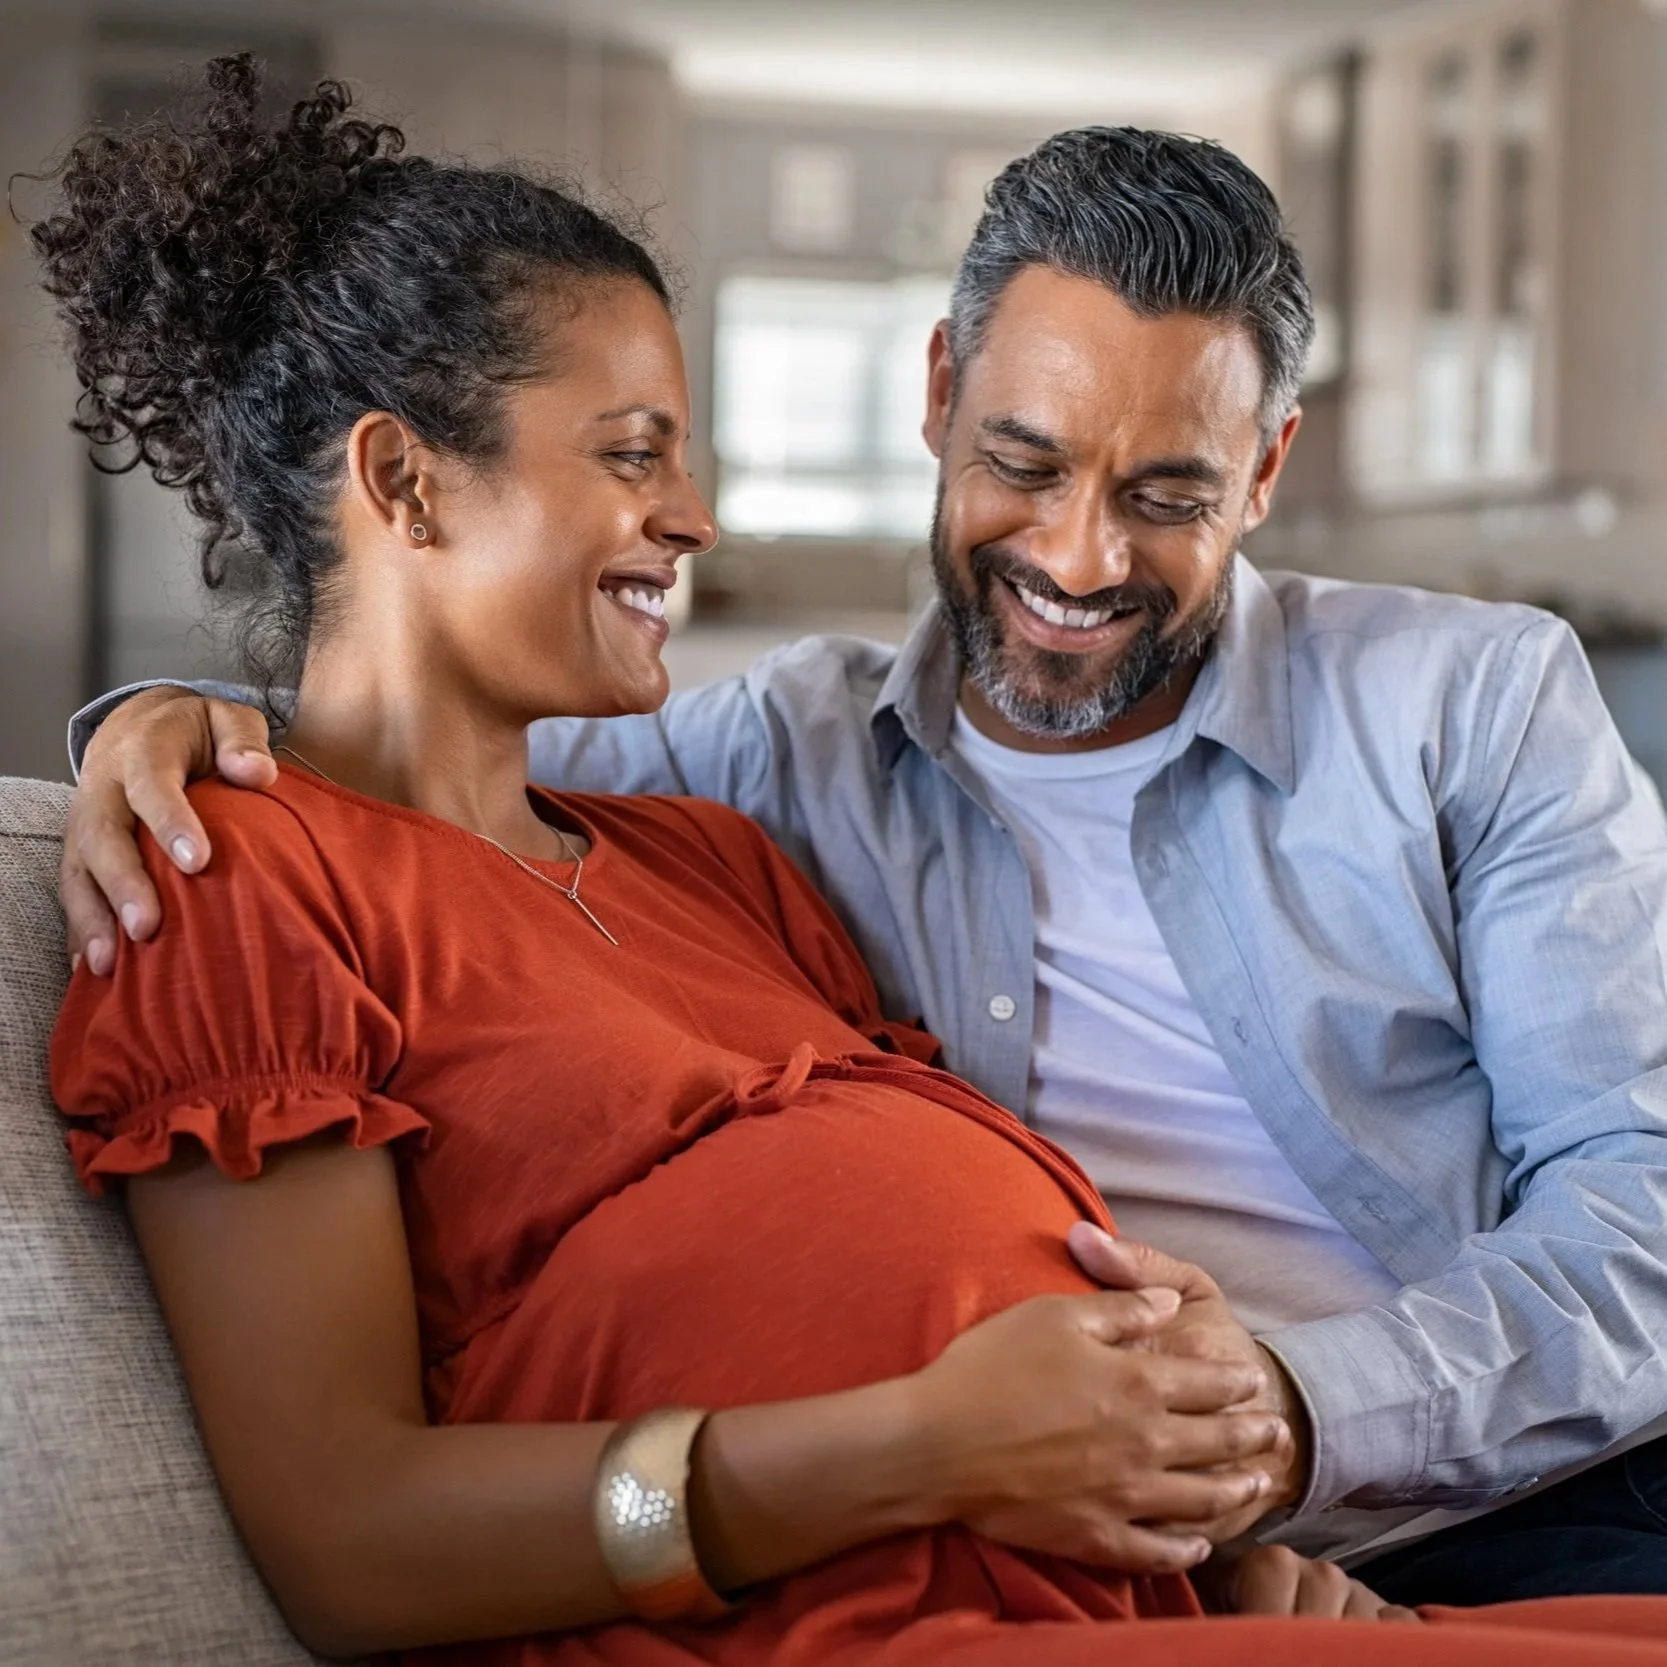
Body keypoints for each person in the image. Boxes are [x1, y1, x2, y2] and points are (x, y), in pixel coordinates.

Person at [56, 73, 1667, 1619]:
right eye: (1022, 464)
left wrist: (1285, 1418)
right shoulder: (765, 762)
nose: (1077, 554)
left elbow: (1642, 1203)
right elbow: (400, 746)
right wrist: (156, 725)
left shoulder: (1470, 700)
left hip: (1506, 1499)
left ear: (1264, 472)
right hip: (1044, 1538)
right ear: (937, 395)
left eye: (1166, 492)